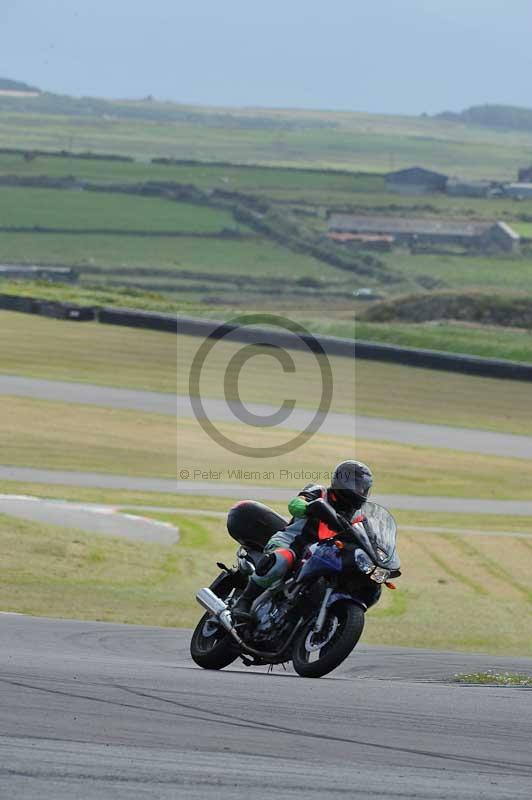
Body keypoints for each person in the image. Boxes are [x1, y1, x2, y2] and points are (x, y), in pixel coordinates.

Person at [232, 460, 374, 617]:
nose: (358, 490)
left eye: (362, 488)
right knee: (283, 559)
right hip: (291, 544)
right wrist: (308, 507)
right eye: (355, 485)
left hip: (323, 556)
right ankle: (244, 601)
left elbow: (369, 539)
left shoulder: (359, 517)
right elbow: (296, 504)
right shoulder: (320, 492)